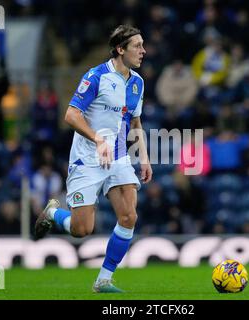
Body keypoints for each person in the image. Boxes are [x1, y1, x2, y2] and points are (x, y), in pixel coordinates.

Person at [34, 25, 152, 293]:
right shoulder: (96, 76)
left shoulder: (137, 82)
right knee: (81, 229)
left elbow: (135, 121)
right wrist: (97, 139)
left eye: (143, 45)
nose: (143, 51)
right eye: (137, 46)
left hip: (119, 156)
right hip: (88, 158)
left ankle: (103, 280)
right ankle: (53, 212)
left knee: (129, 216)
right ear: (120, 49)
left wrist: (144, 159)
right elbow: (71, 115)